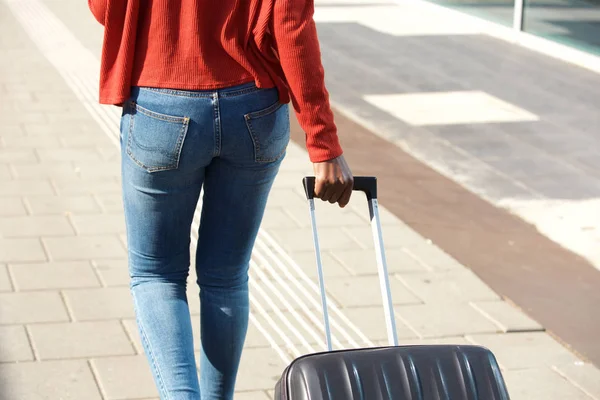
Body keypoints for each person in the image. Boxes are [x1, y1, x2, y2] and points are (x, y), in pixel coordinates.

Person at [89, 1, 354, 399]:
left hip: (161, 103)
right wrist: (323, 144)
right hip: (253, 106)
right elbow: (291, 23)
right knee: (226, 276)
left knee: (157, 275)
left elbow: (105, 8)